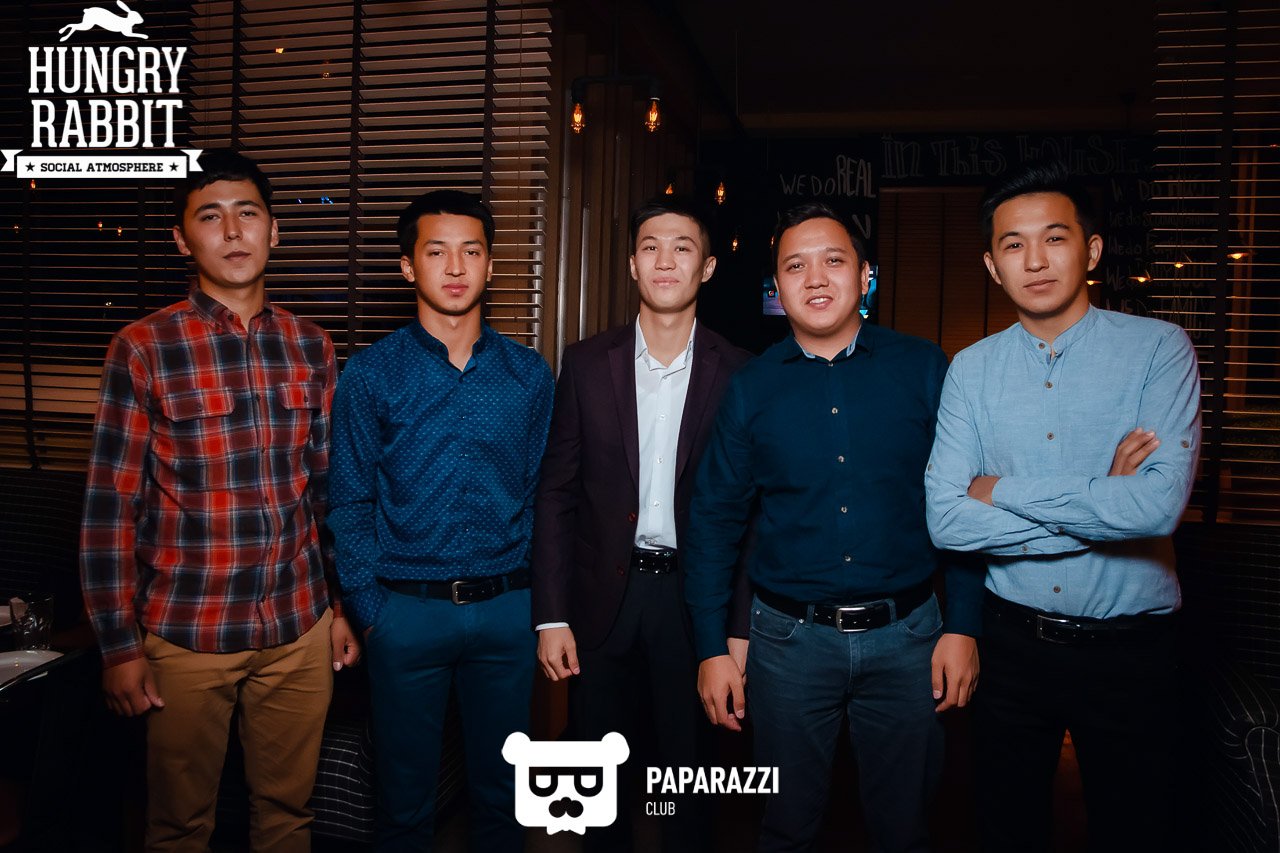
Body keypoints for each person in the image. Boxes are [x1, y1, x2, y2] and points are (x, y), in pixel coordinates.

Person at [79, 148, 361, 853]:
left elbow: (327, 492)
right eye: (210, 217)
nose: (233, 232)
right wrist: (118, 647)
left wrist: (338, 608)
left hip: (298, 627)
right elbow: (110, 507)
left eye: (248, 213)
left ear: (274, 230)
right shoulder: (143, 347)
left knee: (289, 818)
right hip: (186, 632)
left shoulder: (312, 346)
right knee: (178, 827)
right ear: (182, 239)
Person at [684, 202, 983, 853]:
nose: (815, 278)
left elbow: (961, 505)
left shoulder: (924, 368)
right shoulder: (752, 387)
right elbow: (713, 520)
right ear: (777, 285)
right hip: (788, 643)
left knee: (905, 829)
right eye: (795, 266)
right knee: (786, 827)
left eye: (834, 260)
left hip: (910, 638)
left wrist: (963, 625)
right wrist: (711, 647)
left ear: (866, 274)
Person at [924, 161, 1200, 853]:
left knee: (1137, 832)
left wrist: (1000, 489)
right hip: (1012, 645)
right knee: (1005, 829)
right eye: (1013, 245)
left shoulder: (1159, 349)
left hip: (1133, 650)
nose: (1035, 260)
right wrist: (1102, 499)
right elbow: (946, 520)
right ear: (992, 266)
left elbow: (1156, 507)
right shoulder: (971, 369)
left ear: (1092, 250)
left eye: (1054, 238)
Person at [328, 190, 554, 851]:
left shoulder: (528, 375)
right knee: (403, 810)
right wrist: (371, 609)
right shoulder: (371, 374)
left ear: (491, 265)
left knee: (505, 800)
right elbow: (349, 497)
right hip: (406, 613)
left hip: (507, 613)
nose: (456, 267)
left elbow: (542, 493)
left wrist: (534, 604)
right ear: (408, 266)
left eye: (471, 251)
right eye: (436, 252)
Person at [531, 195, 752, 851]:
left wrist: (738, 628)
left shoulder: (741, 372)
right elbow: (557, 492)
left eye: (683, 248)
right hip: (603, 597)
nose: (665, 260)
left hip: (694, 599)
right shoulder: (584, 362)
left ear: (707, 267)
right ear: (632, 263)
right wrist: (551, 616)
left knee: (689, 779)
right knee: (599, 778)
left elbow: (751, 514)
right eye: (651, 246)